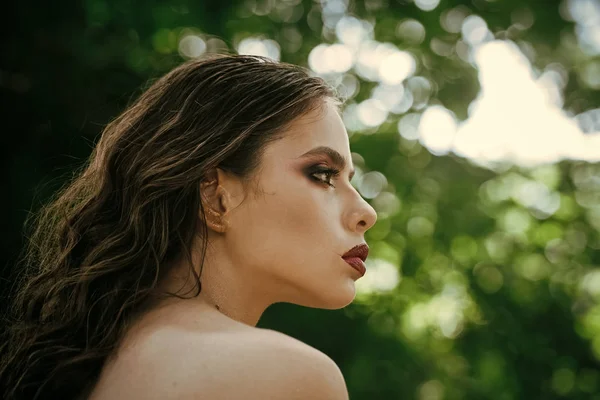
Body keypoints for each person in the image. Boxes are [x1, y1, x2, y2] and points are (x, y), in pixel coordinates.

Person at [0, 53, 377, 399]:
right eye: (323, 174)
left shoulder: (83, 368)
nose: (366, 212)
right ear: (216, 196)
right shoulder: (289, 376)